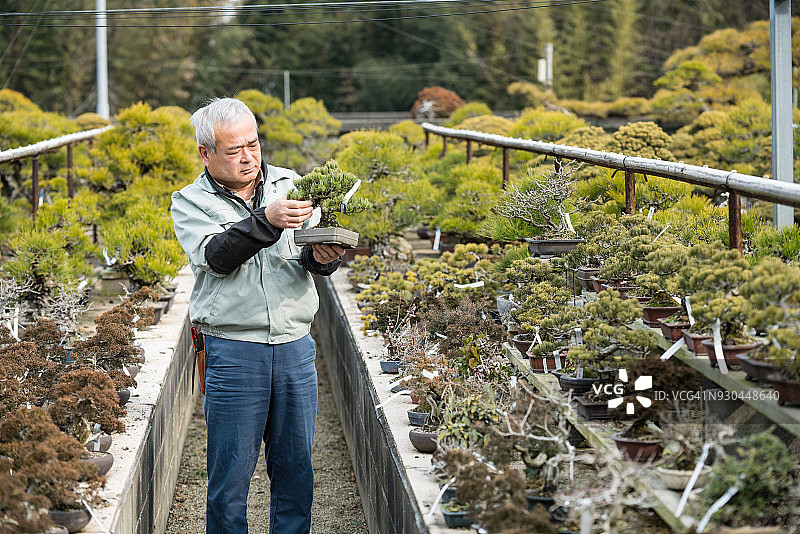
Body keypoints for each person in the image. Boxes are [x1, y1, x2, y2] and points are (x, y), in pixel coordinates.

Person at [170, 97, 344, 534]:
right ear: (205, 153)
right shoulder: (189, 202)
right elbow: (217, 256)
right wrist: (265, 220)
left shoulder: (291, 184)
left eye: (253, 143)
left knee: (296, 472)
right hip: (233, 351)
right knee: (229, 480)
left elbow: (309, 258)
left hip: (295, 347)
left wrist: (324, 257)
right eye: (234, 150)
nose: (248, 156)